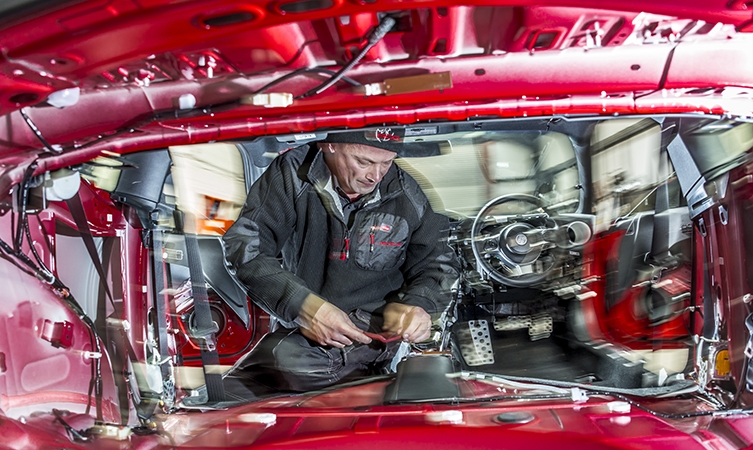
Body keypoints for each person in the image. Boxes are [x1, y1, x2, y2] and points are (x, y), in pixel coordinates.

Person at [222, 128, 460, 393]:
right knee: (226, 400)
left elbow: (437, 265)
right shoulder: (292, 174)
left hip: (372, 340)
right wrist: (303, 306)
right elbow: (245, 249)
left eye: (387, 163)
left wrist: (419, 304)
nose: (376, 176)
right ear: (330, 145)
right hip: (302, 335)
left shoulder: (408, 195)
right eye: (364, 162)